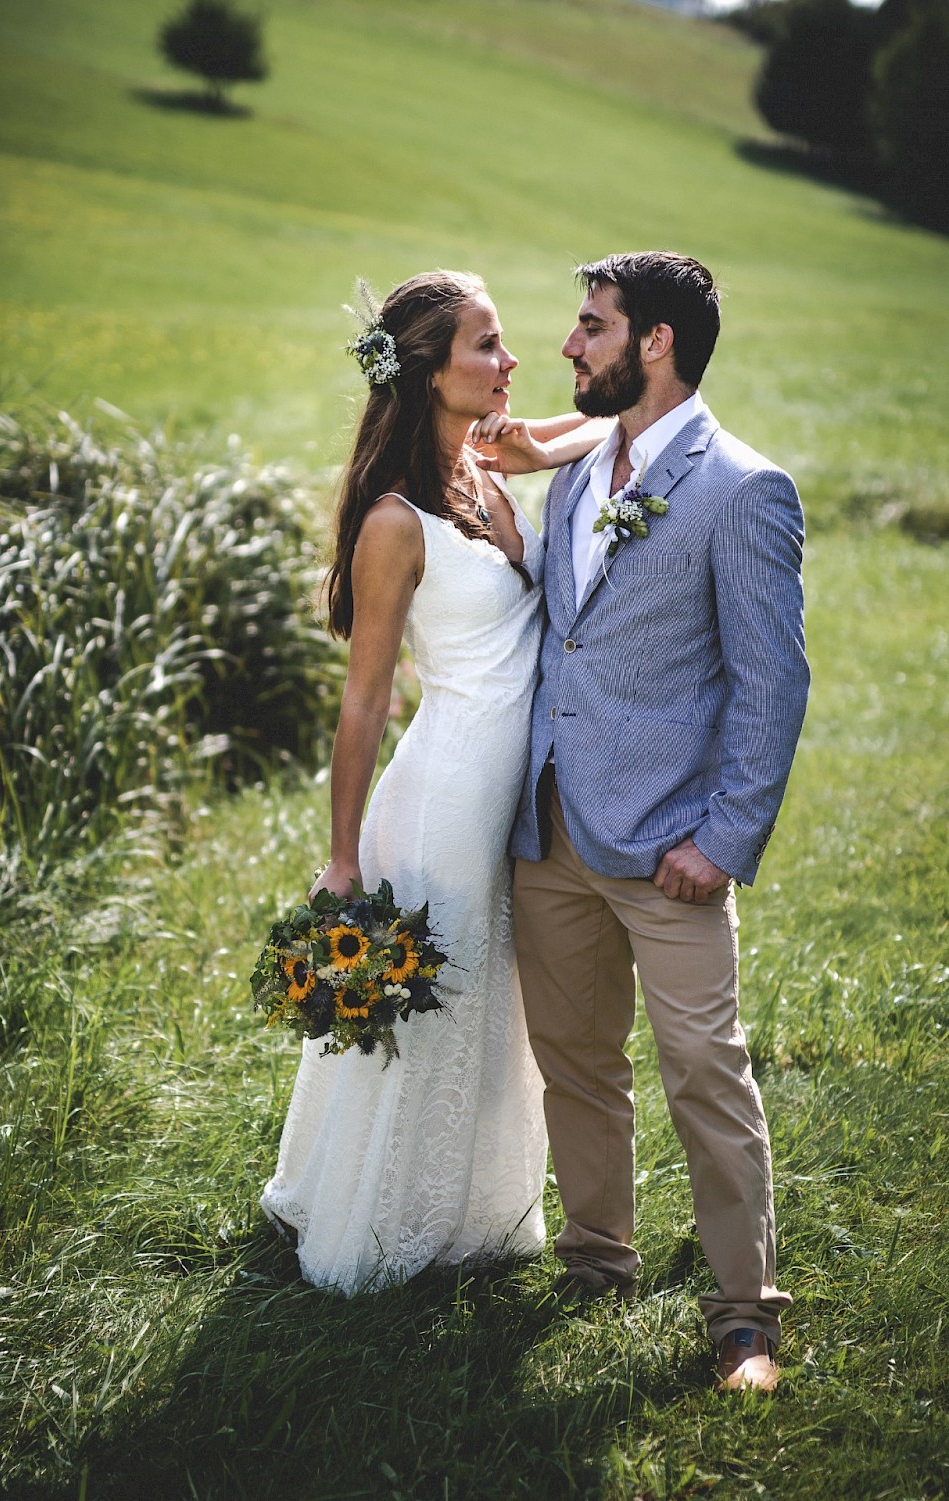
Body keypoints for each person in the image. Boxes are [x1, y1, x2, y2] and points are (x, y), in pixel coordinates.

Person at [484, 252, 810, 1391]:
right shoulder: (582, 472)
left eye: (590, 325)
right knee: (573, 1059)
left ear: (654, 340)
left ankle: (742, 1317)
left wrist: (721, 840)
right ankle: (597, 1258)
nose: (567, 346)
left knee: (702, 1073)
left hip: (671, 847)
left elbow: (772, 684)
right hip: (553, 829)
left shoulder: (743, 489)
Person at [260, 270, 600, 1295]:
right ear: (429, 370)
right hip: (449, 793)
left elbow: (613, 423)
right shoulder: (395, 521)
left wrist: (537, 444)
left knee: (495, 1001)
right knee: (439, 1006)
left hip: (510, 789)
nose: (511, 362)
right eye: (487, 346)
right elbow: (362, 702)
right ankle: (377, 1221)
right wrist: (340, 853)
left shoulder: (485, 468)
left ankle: (469, 1215)